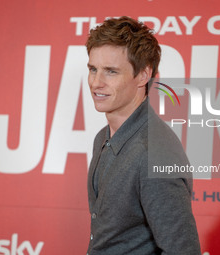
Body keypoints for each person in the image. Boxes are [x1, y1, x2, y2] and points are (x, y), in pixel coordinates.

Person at [86, 16, 201, 255]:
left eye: (111, 71)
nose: (96, 82)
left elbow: (183, 251)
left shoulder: (154, 155)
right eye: (93, 69)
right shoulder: (103, 137)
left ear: (143, 76)